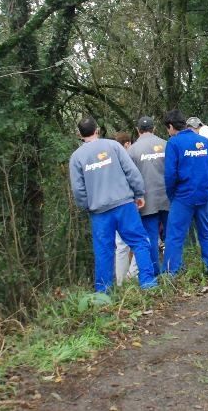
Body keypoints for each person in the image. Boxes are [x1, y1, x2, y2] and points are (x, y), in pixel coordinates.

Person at [68, 116, 157, 293]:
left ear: (79, 134)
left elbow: (78, 190)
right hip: (124, 204)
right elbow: (131, 171)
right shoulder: (113, 146)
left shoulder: (76, 157)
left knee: (103, 251)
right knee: (139, 241)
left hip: (99, 212)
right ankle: (148, 283)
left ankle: (103, 294)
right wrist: (138, 193)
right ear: (97, 129)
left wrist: (88, 206)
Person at [161, 109, 208, 278]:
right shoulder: (204, 141)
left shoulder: (173, 143)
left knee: (174, 236)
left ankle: (170, 274)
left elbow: (170, 174)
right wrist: (207, 188)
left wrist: (172, 194)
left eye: (168, 128)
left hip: (183, 197)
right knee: (206, 232)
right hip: (203, 195)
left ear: (171, 127)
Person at [128, 116, 170, 274]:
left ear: (138, 130)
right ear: (154, 129)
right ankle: (173, 268)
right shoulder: (166, 144)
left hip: (146, 201)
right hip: (167, 198)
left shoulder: (132, 150)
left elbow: (130, 178)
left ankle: (155, 272)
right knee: (171, 235)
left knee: (151, 239)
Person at [111, 131, 138, 285]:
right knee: (145, 240)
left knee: (121, 245)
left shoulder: (111, 160)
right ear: (127, 144)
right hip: (131, 204)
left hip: (114, 205)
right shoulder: (129, 158)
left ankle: (121, 283)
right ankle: (132, 275)